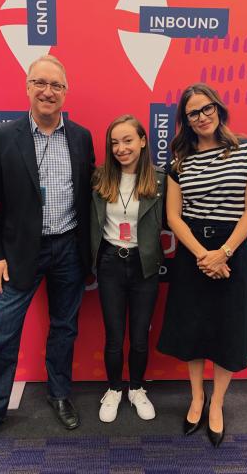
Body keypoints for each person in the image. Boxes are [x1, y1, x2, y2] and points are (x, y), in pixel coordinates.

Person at [0, 55, 95, 461]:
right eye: (40, 82)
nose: (47, 92)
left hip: (68, 250)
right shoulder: (1, 138)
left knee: (64, 328)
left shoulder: (81, 137)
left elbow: (88, 197)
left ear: (65, 92)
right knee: (2, 334)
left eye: (56, 85)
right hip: (20, 253)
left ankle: (59, 395)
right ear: (27, 87)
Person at [157, 83, 247, 447]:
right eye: (193, 113)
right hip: (192, 253)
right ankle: (197, 398)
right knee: (193, 328)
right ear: (185, 121)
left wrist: (224, 252)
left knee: (226, 330)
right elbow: (173, 216)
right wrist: (203, 255)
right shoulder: (179, 161)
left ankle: (217, 403)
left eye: (207, 109)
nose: (201, 117)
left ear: (219, 109)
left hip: (232, 248)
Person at [91, 114, 166, 423]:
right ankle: (114, 389)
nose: (121, 148)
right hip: (109, 262)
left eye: (128, 140)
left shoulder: (160, 179)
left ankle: (136, 388)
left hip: (144, 265)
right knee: (113, 335)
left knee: (138, 336)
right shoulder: (98, 178)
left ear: (143, 140)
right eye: (114, 143)